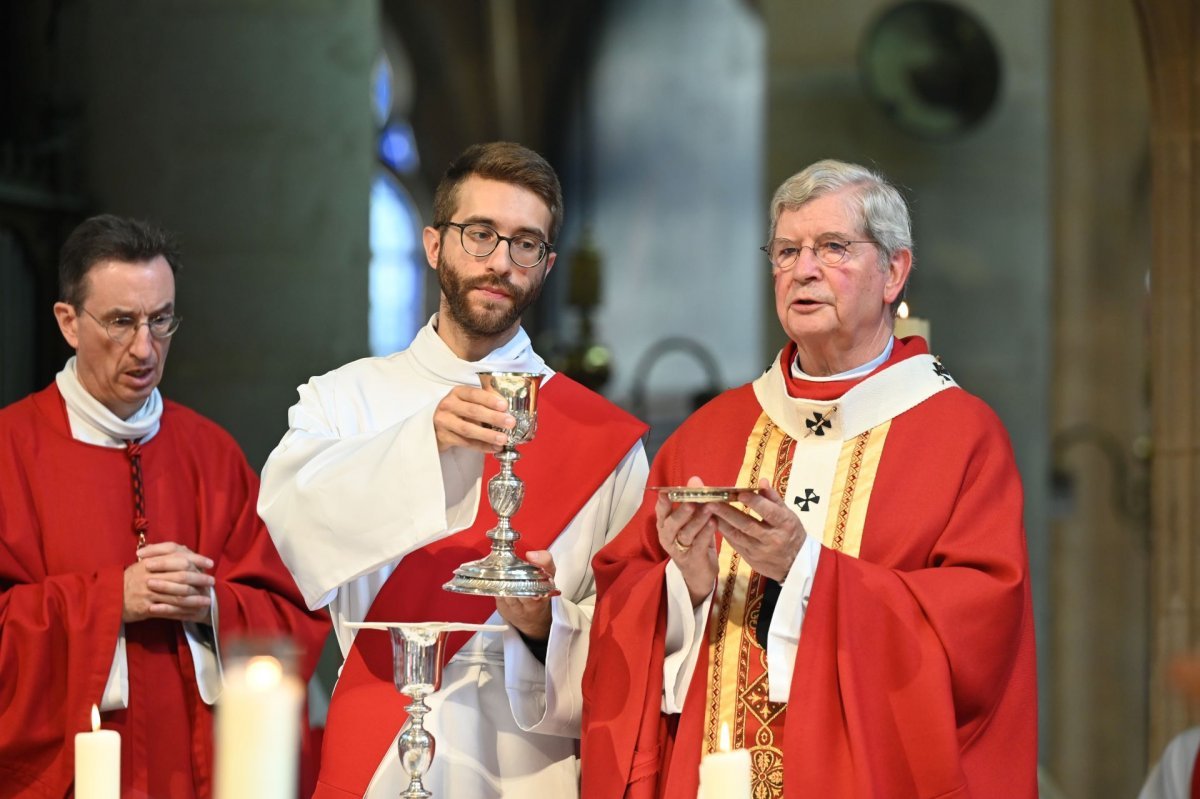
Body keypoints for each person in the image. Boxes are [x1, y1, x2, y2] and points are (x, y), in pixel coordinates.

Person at [581, 159, 1038, 798]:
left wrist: (810, 573)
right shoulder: (711, 434)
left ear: (894, 272)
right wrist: (680, 584)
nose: (803, 269)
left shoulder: (959, 435)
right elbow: (621, 610)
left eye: (833, 248)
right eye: (787, 250)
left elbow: (980, 631)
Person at [258, 141, 649, 798]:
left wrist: (540, 625)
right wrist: (421, 441)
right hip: (375, 762)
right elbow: (289, 536)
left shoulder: (605, 442)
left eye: (526, 244)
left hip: (530, 771)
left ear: (548, 266)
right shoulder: (342, 401)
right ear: (435, 244)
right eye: (480, 234)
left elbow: (635, 654)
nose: (500, 261)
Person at [0, 215, 329, 798]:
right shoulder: (11, 451)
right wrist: (109, 600)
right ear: (68, 323)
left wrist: (213, 604)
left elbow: (289, 616)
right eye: (121, 322)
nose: (145, 348)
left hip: (196, 769)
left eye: (161, 320)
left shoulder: (211, 453)